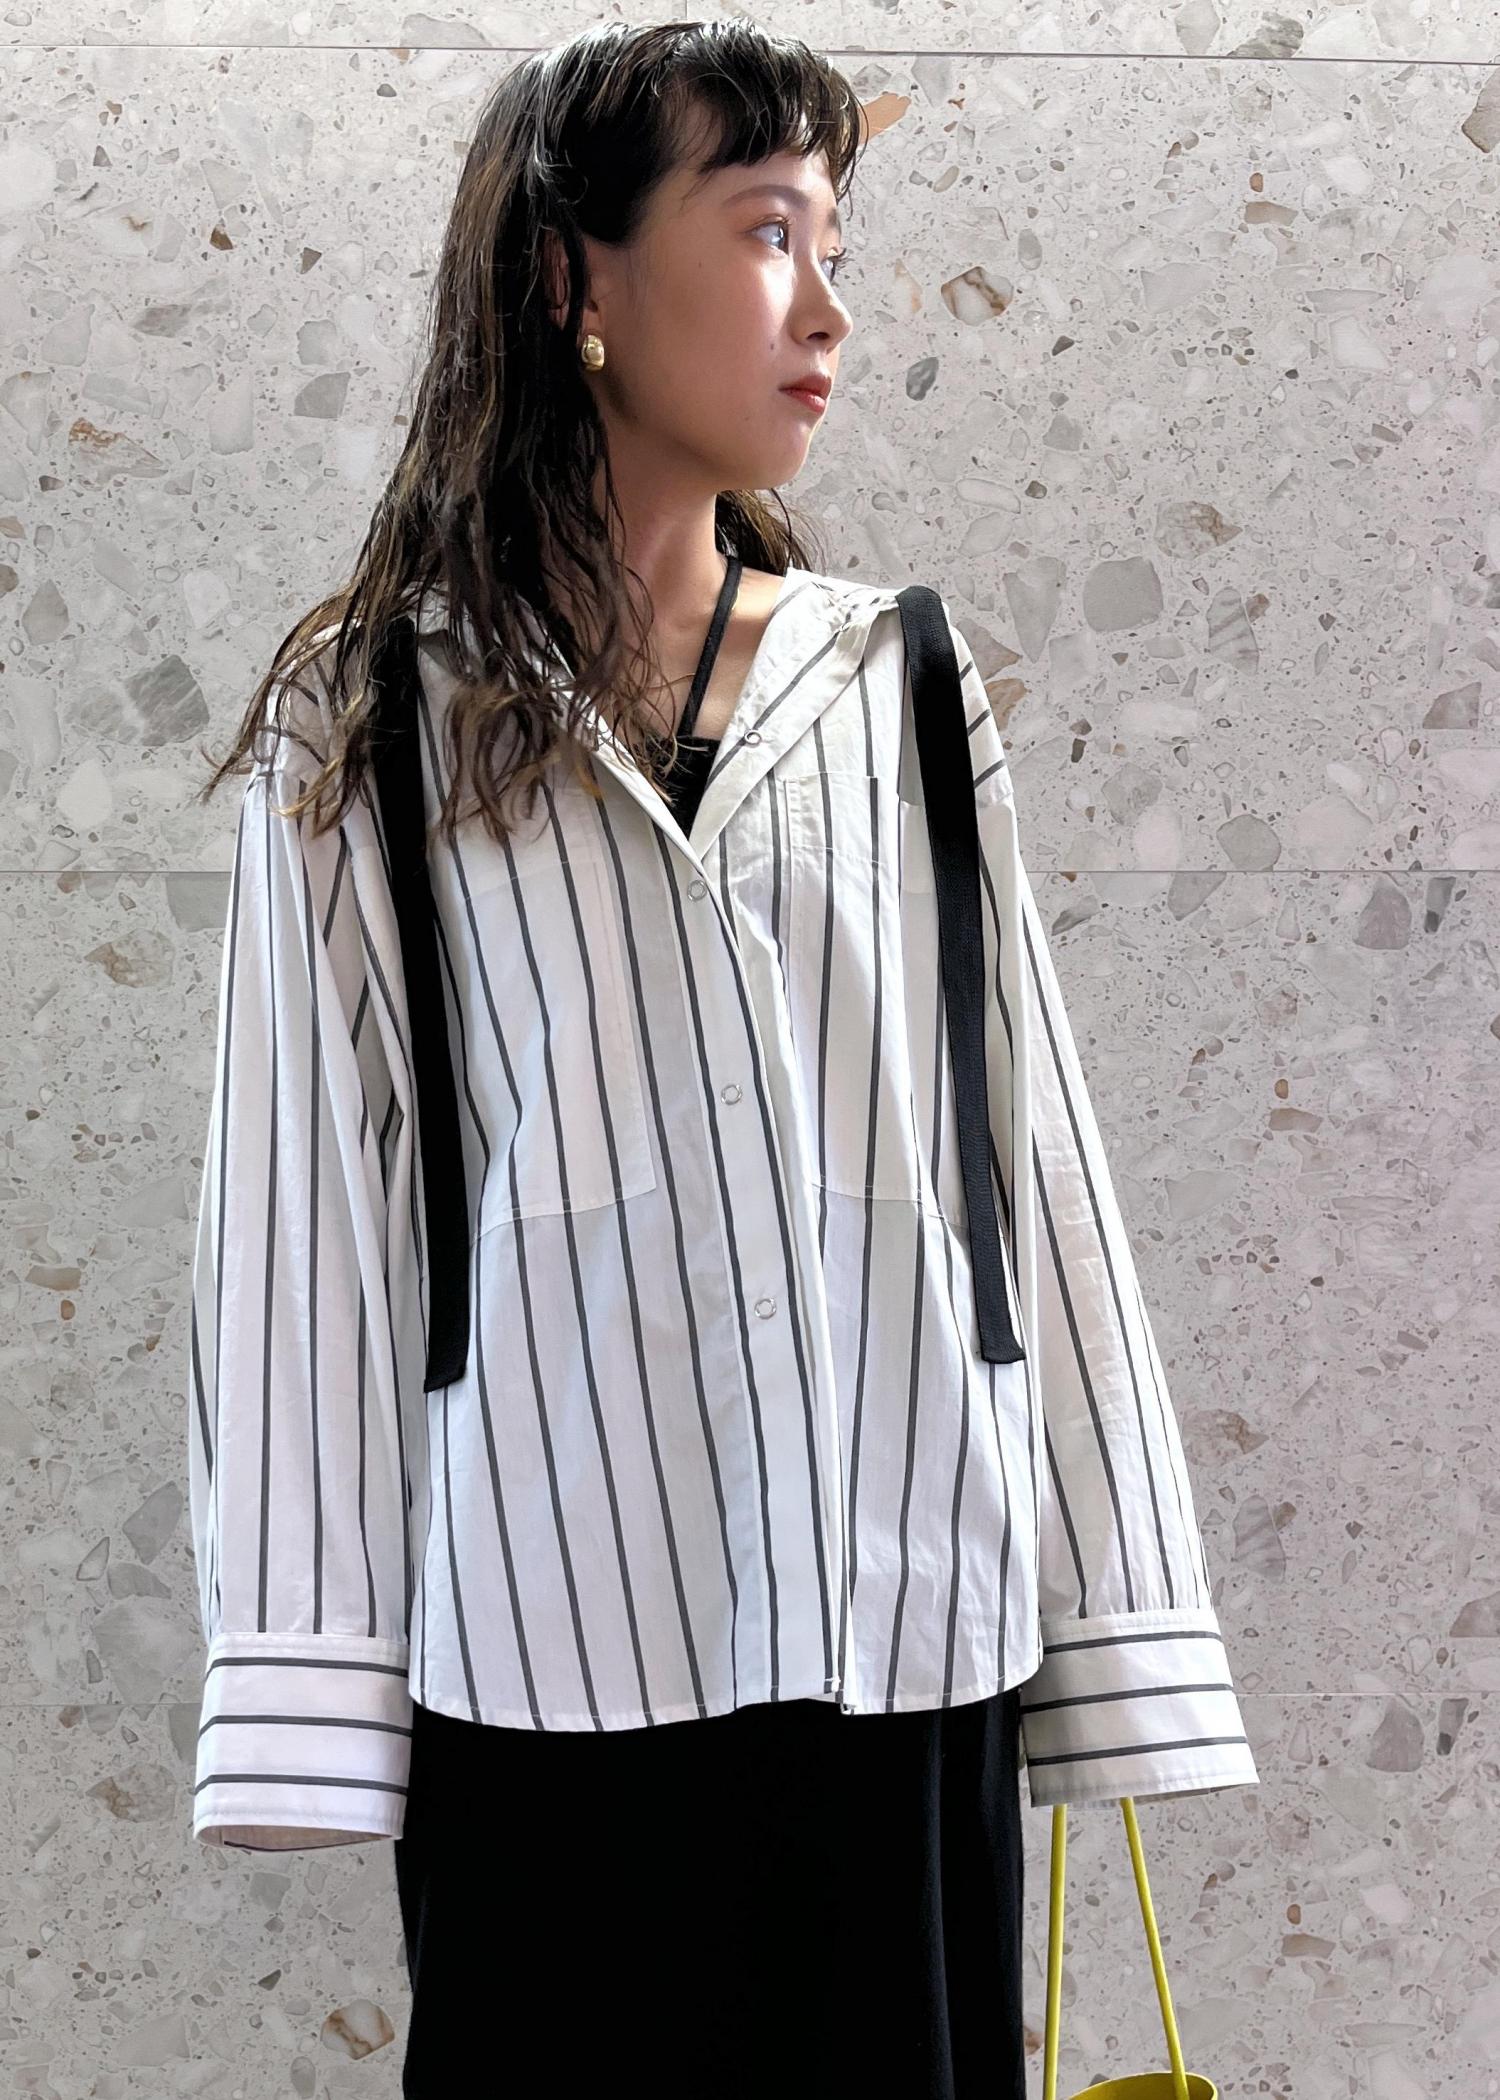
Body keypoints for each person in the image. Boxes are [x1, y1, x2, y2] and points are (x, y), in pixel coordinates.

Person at [184, 20, 1259, 2099]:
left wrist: (1120, 1611)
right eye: (768, 233)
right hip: (553, 1656)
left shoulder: (899, 686)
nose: (827, 307)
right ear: (570, 276)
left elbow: (1027, 1158)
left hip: (907, 1634)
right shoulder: (376, 718)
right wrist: (306, 1679)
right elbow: (302, 1218)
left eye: (833, 241)